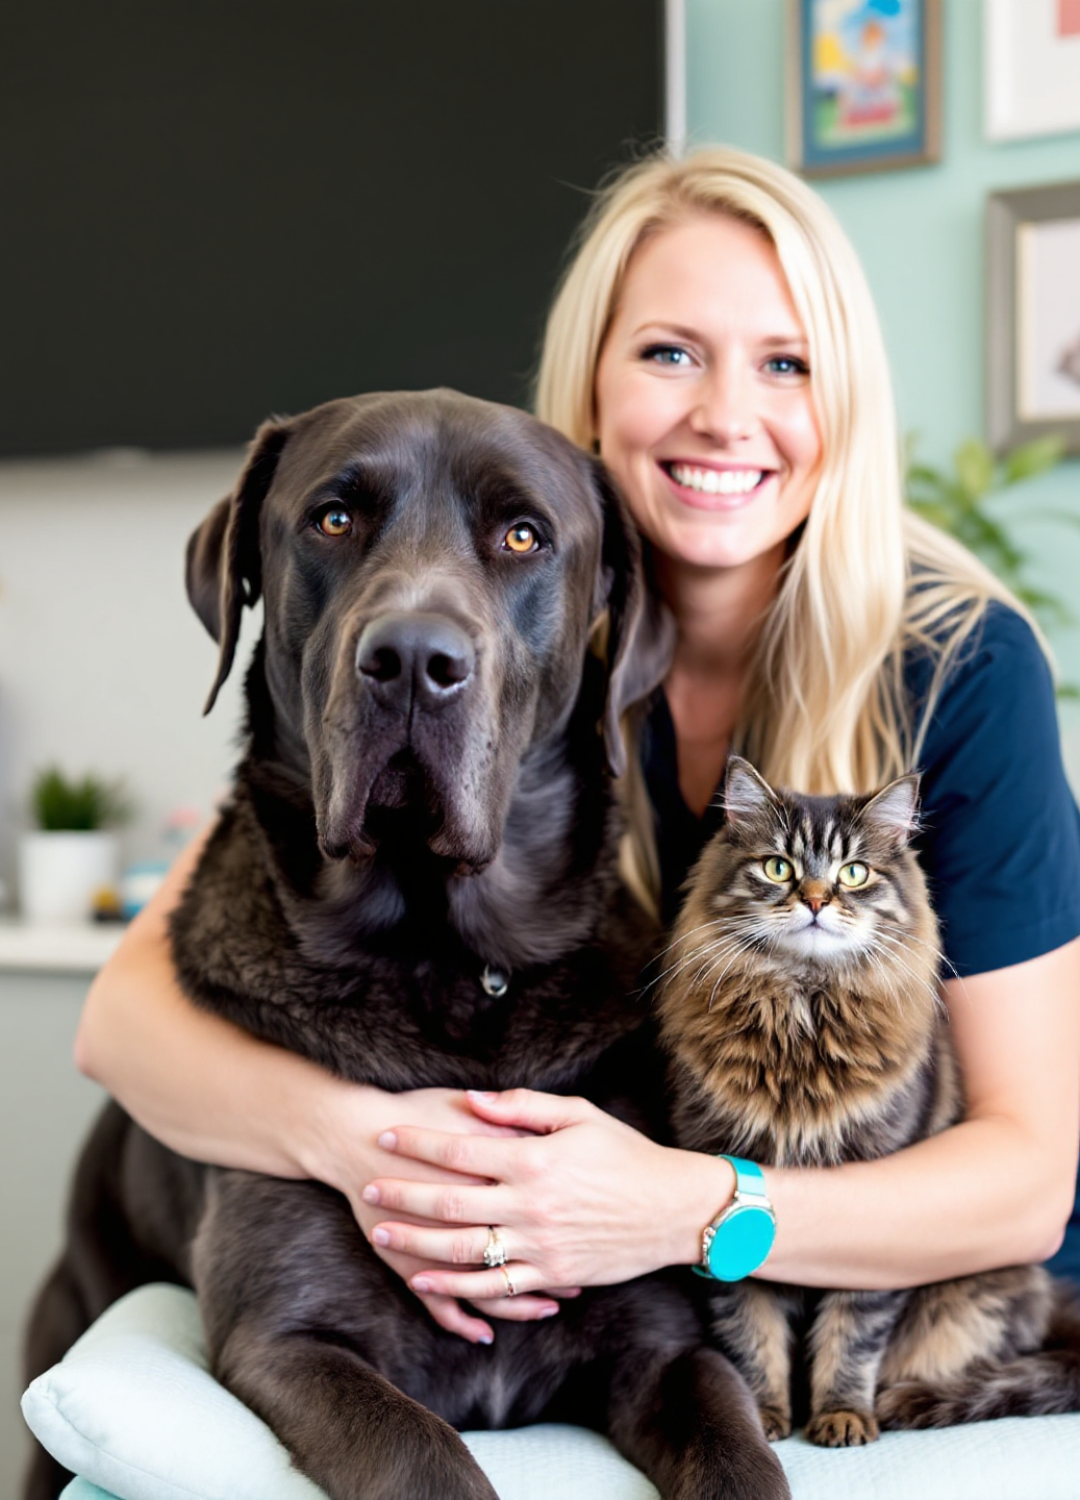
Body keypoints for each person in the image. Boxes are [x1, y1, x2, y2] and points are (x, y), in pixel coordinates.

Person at [75, 147, 1080, 1352]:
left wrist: (685, 1214)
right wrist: (369, 1156)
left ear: (842, 406)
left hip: (923, 1315)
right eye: (670, 352)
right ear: (591, 388)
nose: (724, 412)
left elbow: (1026, 1183)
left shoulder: (957, 667)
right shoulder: (500, 645)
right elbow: (123, 1022)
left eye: (786, 364)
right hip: (684, 1315)